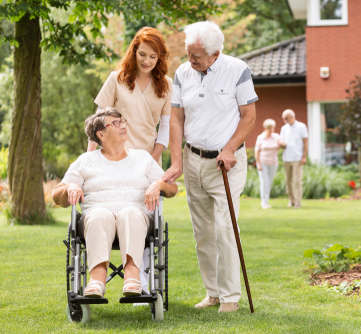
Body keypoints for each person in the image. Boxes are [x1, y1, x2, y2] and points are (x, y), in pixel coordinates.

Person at [161, 21, 257, 313]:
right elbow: (176, 118)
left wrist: (229, 149)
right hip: (193, 159)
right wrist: (177, 160)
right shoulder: (182, 73)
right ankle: (212, 293)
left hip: (226, 163)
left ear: (216, 53)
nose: (191, 59)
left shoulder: (237, 69)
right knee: (202, 230)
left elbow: (249, 115)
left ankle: (230, 297)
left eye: (197, 55)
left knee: (226, 227)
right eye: (190, 53)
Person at [52, 108, 177, 298]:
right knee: (99, 214)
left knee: (130, 213)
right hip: (96, 219)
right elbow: (56, 196)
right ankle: (96, 281)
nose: (123, 126)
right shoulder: (85, 161)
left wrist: (159, 184)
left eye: (123, 122)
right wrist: (69, 187)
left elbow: (172, 189)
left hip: (137, 218)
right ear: (101, 134)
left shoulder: (142, 158)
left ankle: (132, 278)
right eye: (116, 123)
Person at [90, 27, 172, 295]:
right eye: (142, 54)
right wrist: (91, 159)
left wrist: (153, 159)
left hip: (146, 162)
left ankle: (140, 287)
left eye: (153, 57)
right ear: (134, 51)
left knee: (145, 224)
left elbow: (166, 128)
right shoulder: (117, 79)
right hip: (112, 158)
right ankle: (102, 280)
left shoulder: (166, 86)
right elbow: (98, 124)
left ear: (160, 58)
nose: (147, 61)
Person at [280, 109, 308, 208]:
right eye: (283, 118)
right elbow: (282, 142)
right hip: (286, 158)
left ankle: (298, 202)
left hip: (297, 158)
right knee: (288, 181)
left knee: (297, 181)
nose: (284, 120)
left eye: (286, 118)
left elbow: (305, 142)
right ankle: (291, 200)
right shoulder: (284, 128)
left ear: (292, 116)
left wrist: (304, 157)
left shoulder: (301, 126)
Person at [255, 119, 283, 209]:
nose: (272, 130)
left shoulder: (276, 136)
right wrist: (258, 164)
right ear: (265, 128)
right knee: (264, 182)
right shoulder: (260, 137)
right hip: (263, 163)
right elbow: (256, 152)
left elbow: (280, 146)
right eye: (270, 128)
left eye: (273, 128)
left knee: (269, 182)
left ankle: (266, 201)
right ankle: (264, 202)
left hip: (273, 163)